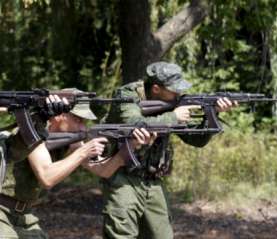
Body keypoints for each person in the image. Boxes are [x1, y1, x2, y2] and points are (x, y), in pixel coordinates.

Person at [100, 61, 238, 239]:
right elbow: (135, 124)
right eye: (174, 89)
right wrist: (174, 117)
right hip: (122, 177)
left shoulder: (173, 102)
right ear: (156, 88)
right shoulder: (126, 95)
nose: (178, 94)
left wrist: (212, 114)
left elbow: (196, 140)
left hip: (153, 180)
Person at [0, 93, 107, 239]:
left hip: (24, 215)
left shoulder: (70, 140)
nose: (83, 127)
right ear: (58, 116)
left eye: (84, 121)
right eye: (78, 119)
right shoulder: (29, 133)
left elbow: (102, 169)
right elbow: (47, 178)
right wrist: (83, 152)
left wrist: (126, 150)